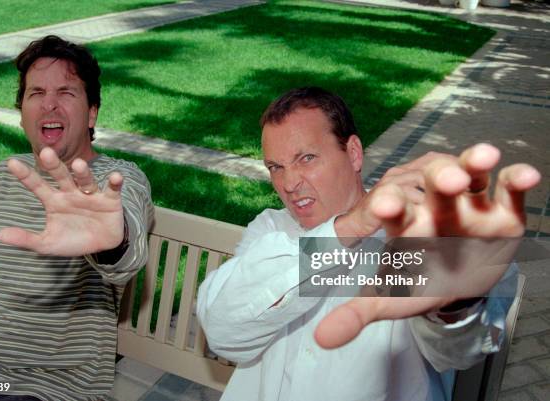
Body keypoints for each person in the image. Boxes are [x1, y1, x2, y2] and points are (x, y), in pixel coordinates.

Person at [196, 87, 540, 401]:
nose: (288, 183)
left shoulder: (417, 236)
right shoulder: (272, 228)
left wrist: (455, 305)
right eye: (275, 166)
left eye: (306, 159)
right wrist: (346, 229)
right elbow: (224, 333)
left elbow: (457, 352)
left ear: (354, 153)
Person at [0, 36, 153, 401]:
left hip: (38, 388)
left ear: (92, 112)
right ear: (22, 110)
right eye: (36, 93)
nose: (49, 104)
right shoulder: (5, 175)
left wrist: (111, 242)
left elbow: (125, 259)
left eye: (66, 93)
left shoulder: (117, 182)